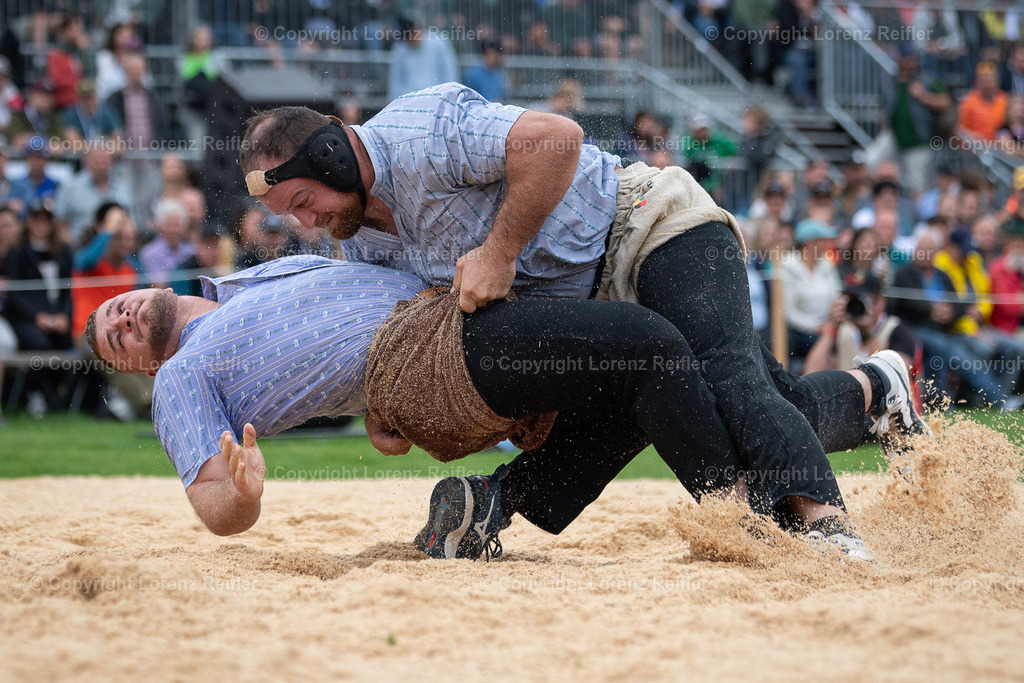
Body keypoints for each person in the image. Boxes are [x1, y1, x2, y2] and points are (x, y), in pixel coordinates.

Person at [237, 85, 930, 557]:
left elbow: (557, 140)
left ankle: (827, 528)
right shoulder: (359, 236)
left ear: (330, 154)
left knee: (732, 379)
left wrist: (499, 251)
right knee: (755, 409)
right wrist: (386, 401)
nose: (307, 223)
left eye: (304, 200)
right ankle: (876, 388)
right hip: (601, 308)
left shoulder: (420, 130)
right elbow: (407, 326)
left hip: (649, 224)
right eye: (290, 217)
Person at [84, 255, 923, 561]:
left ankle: (870, 390)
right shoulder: (182, 377)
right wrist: (248, 491)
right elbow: (214, 505)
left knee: (719, 386)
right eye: (110, 338)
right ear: (139, 365)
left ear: (143, 286)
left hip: (467, 306)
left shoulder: (244, 281)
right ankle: (752, 513)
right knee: (653, 352)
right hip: (442, 357)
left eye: (115, 305)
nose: (118, 319)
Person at [3, 202, 74, 416]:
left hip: (55, 314)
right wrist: (37, 317)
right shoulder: (17, 252)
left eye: (46, 219)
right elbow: (15, 293)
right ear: (29, 221)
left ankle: (57, 396)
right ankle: (35, 393)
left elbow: (67, 290)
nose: (42, 224)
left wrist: (64, 315)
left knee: (64, 341)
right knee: (38, 343)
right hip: (25, 317)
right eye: (37, 218)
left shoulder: (63, 252)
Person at [805, 271, 919, 374]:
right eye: (851, 298)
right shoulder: (842, 329)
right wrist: (831, 328)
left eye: (862, 299)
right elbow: (811, 373)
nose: (856, 304)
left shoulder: (898, 331)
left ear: (880, 302)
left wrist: (867, 334)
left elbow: (897, 374)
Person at [53, 147, 133, 244]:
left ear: (111, 163)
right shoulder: (70, 188)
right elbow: (59, 220)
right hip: (79, 247)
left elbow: (130, 220)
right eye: (97, 161)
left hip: (115, 249)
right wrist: (70, 242)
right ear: (85, 163)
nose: (101, 166)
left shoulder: (122, 188)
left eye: (105, 161)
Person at [386, 15, 458, 102]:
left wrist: (450, 97)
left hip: (437, 99)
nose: (410, 41)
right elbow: (395, 80)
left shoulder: (439, 43)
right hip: (409, 102)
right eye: (407, 39)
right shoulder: (400, 49)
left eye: (412, 36)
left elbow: (450, 72)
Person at [957, 62, 1008, 142]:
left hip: (1002, 147)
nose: (987, 85)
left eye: (989, 81)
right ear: (977, 82)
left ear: (997, 81)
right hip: (977, 148)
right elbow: (961, 130)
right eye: (983, 81)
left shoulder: (1005, 100)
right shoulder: (968, 102)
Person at [461, 39, 506, 103]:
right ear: (486, 54)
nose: (499, 59)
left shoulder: (498, 73)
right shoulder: (472, 75)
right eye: (496, 55)